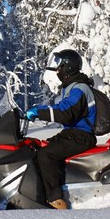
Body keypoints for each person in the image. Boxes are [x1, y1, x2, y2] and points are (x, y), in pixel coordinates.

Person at [24, 49, 99, 210]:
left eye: (59, 65)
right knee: (38, 147)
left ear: (68, 67)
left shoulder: (79, 88)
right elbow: (63, 108)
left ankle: (55, 199)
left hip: (81, 135)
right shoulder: (73, 87)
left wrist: (39, 112)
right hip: (73, 133)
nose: (57, 70)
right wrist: (37, 111)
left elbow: (65, 112)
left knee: (47, 154)